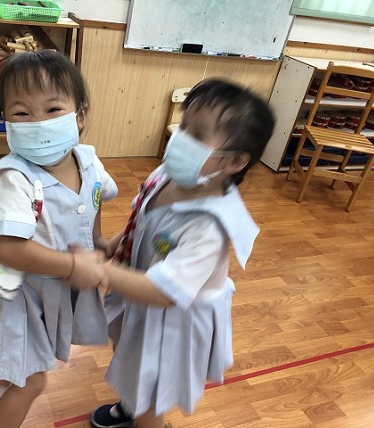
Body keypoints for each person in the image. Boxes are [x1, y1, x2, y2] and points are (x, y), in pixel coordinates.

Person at [74, 79, 276, 428]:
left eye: (197, 135)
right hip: (140, 290)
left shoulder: (210, 226)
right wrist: (116, 243)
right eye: (183, 127)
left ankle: (145, 414)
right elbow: (143, 216)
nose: (180, 139)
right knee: (133, 359)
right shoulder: (169, 174)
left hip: (174, 317)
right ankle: (133, 404)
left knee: (152, 387)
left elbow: (166, 292)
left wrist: (101, 271)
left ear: (235, 161)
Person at [0, 50, 117, 428]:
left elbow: (93, 199)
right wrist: (73, 265)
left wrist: (98, 241)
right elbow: (6, 247)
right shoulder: (16, 179)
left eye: (52, 109)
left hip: (52, 295)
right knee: (32, 381)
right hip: (18, 297)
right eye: (21, 113)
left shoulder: (88, 161)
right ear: (6, 122)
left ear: (80, 115)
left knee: (21, 364)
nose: (38, 122)